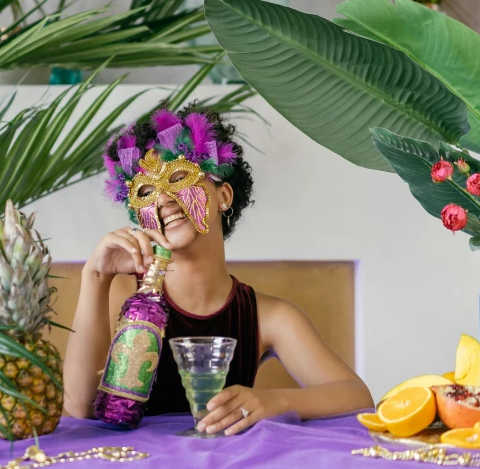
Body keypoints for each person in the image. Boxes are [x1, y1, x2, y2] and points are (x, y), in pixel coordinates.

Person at [63, 105, 374, 436]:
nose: (163, 199)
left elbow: (356, 396)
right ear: (139, 216)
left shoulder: (268, 316)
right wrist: (95, 277)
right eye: (146, 191)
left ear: (224, 195)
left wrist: (274, 402)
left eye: (179, 177)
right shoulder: (121, 298)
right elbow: (78, 409)